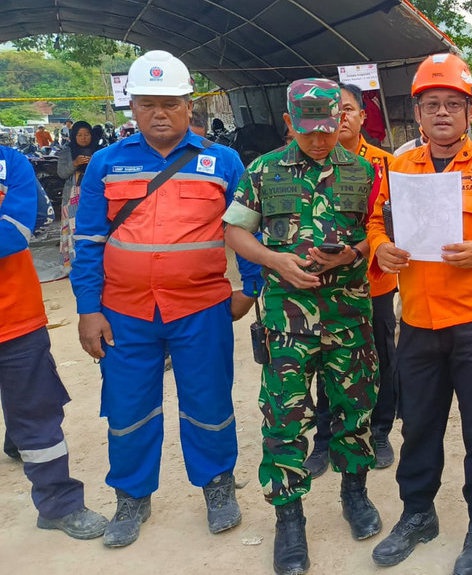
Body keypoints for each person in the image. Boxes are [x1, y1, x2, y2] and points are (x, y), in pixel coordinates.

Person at [70, 50, 259, 548]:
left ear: (188, 105)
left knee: (209, 400)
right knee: (128, 406)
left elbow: (248, 229)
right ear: (131, 106)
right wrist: (89, 309)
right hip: (124, 312)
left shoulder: (223, 161)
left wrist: (251, 288)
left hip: (201, 307)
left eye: (170, 103)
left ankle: (217, 485)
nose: (159, 113)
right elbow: (89, 240)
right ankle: (132, 496)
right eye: (147, 103)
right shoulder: (106, 164)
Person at [367, 53, 472, 575]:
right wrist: (382, 249)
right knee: (418, 425)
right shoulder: (398, 167)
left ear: (470, 111)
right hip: (417, 321)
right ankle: (419, 514)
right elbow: (377, 223)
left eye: (452, 104)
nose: (442, 113)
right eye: (431, 105)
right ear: (417, 114)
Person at [223, 78, 381, 575]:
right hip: (287, 318)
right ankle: (289, 519)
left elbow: (381, 232)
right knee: (285, 417)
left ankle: (354, 494)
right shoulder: (263, 170)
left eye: (328, 128)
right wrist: (275, 260)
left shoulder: (365, 170)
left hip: (349, 313)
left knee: (355, 408)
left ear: (342, 121)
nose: (319, 139)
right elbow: (234, 230)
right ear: (290, 124)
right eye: (308, 130)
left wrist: (352, 253)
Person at [0, 144, 108, 540]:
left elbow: (14, 232)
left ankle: (59, 505)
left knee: (37, 417)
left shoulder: (8, 163)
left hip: (14, 321)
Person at [304, 82, 400, 478]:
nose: (340, 117)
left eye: (347, 109)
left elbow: (395, 222)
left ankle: (379, 430)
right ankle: (324, 436)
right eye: (332, 110)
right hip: (325, 286)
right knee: (326, 361)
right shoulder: (312, 162)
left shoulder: (386, 163)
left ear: (363, 115)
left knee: (379, 359)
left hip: (374, 281)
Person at [56, 120, 97, 271]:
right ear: (74, 136)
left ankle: (93, 264)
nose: (84, 138)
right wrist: (75, 163)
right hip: (72, 195)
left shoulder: (99, 151)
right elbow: (61, 173)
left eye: (87, 134)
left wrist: (94, 164)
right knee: (72, 229)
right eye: (80, 135)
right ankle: (73, 264)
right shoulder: (67, 151)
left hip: (94, 195)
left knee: (92, 227)